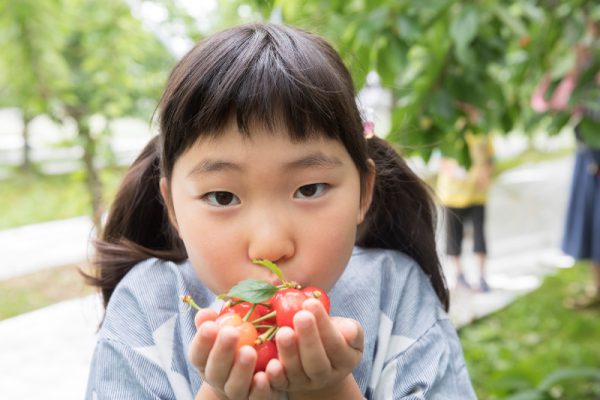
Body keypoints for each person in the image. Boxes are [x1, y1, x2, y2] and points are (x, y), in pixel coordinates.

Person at [83, 23, 476, 399]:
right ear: (171, 206)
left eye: (309, 189)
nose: (270, 246)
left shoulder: (396, 294)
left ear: (363, 192)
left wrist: (328, 391)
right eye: (222, 197)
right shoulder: (148, 308)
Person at [531, 23, 600, 309]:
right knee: (593, 229)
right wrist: (560, 70)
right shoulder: (577, 77)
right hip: (590, 158)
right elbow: (541, 101)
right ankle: (597, 290)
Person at [435, 105, 494, 292]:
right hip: (453, 194)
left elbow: (490, 157)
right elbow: (441, 158)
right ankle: (459, 275)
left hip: (477, 193)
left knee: (479, 235)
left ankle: (482, 276)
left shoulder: (482, 130)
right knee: (454, 237)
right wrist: (455, 172)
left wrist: (485, 174)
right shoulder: (448, 129)